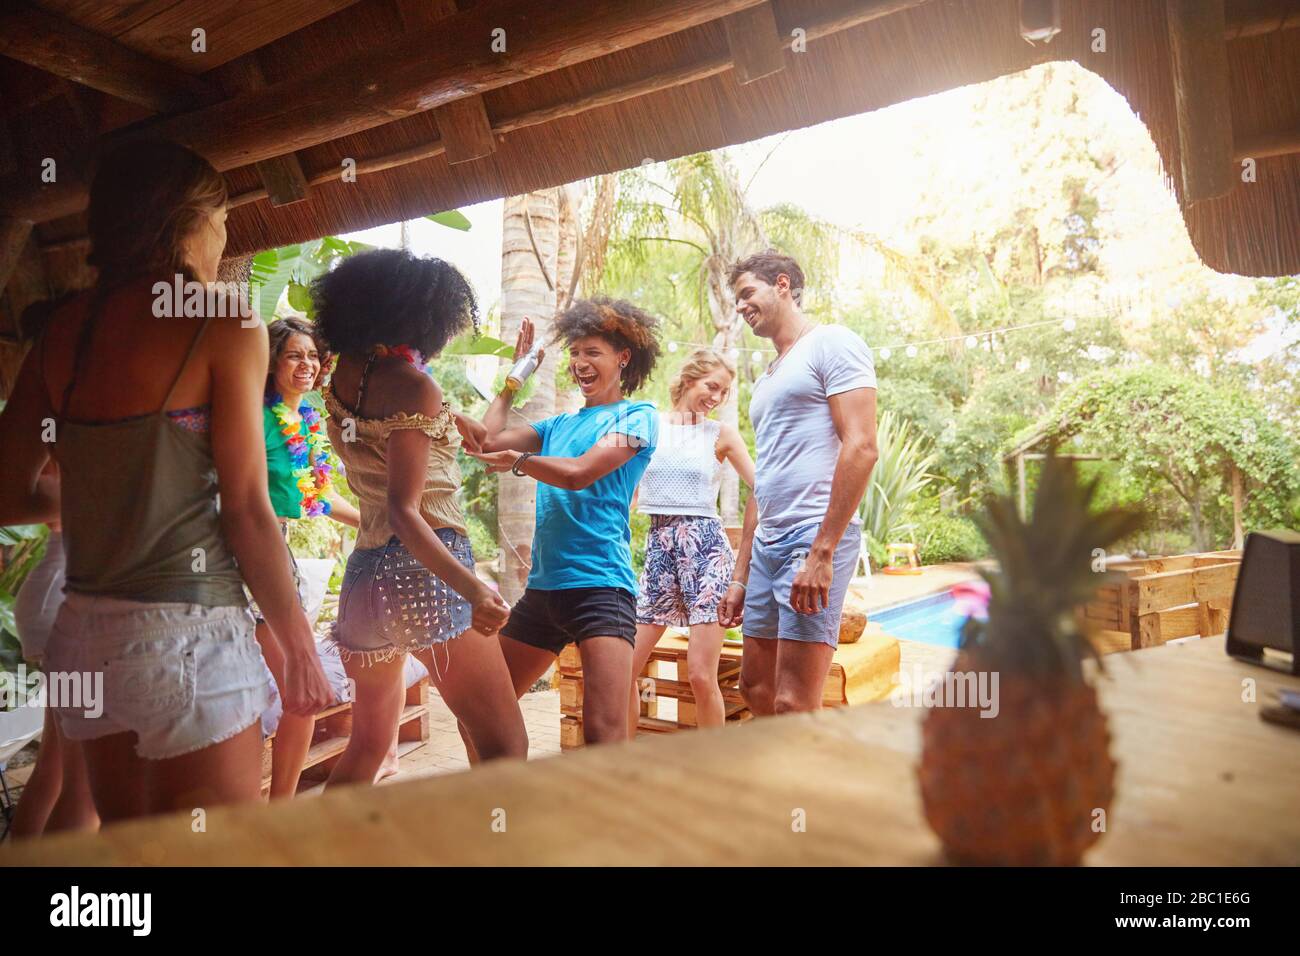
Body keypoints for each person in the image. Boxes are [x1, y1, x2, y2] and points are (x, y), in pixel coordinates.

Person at [0, 139, 332, 823]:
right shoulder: (225, 318)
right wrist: (297, 643)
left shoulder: (61, 330)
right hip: (183, 642)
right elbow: (244, 507)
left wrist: (98, 499)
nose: (224, 238)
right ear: (190, 220)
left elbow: (6, 492)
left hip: (82, 640)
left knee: (127, 851)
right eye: (222, 221)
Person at [314, 249, 525, 786]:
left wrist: (457, 413)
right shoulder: (413, 385)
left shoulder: (343, 377)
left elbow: (387, 429)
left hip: (365, 577)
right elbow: (405, 513)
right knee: (505, 745)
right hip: (427, 570)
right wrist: (474, 589)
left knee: (364, 748)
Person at [471, 300, 660, 745]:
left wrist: (519, 461)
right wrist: (516, 376)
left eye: (592, 351)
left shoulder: (637, 417)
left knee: (603, 734)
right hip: (543, 592)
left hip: (600, 588)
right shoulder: (556, 425)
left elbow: (580, 473)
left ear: (623, 357)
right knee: (482, 709)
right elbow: (485, 438)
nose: (579, 363)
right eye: (574, 353)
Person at [717, 251, 878, 715]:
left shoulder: (831, 342)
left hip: (812, 536)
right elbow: (763, 481)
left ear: (782, 284)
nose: (742, 306)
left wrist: (822, 551)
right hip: (767, 545)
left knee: (793, 702)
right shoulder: (768, 379)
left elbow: (862, 445)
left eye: (748, 293)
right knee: (755, 689)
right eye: (737, 298)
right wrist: (740, 577)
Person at [255, 317, 360, 798]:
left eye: (314, 356)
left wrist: (382, 523)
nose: (307, 365)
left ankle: (279, 808)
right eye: (295, 355)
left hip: (282, 555)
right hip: (243, 557)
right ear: (272, 360)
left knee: (300, 696)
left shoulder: (308, 422)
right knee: (293, 689)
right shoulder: (253, 417)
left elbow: (321, 498)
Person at [627, 349, 756, 735]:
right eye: (711, 387)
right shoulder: (650, 426)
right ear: (688, 380)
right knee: (624, 670)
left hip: (706, 553)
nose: (716, 398)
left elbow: (764, 488)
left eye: (723, 392)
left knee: (701, 675)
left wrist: (745, 565)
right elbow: (625, 491)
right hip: (660, 550)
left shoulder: (721, 434)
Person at [8, 462, 99, 837]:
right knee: (86, 782)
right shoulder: (66, 428)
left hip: (63, 597)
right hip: (67, 602)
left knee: (57, 766)